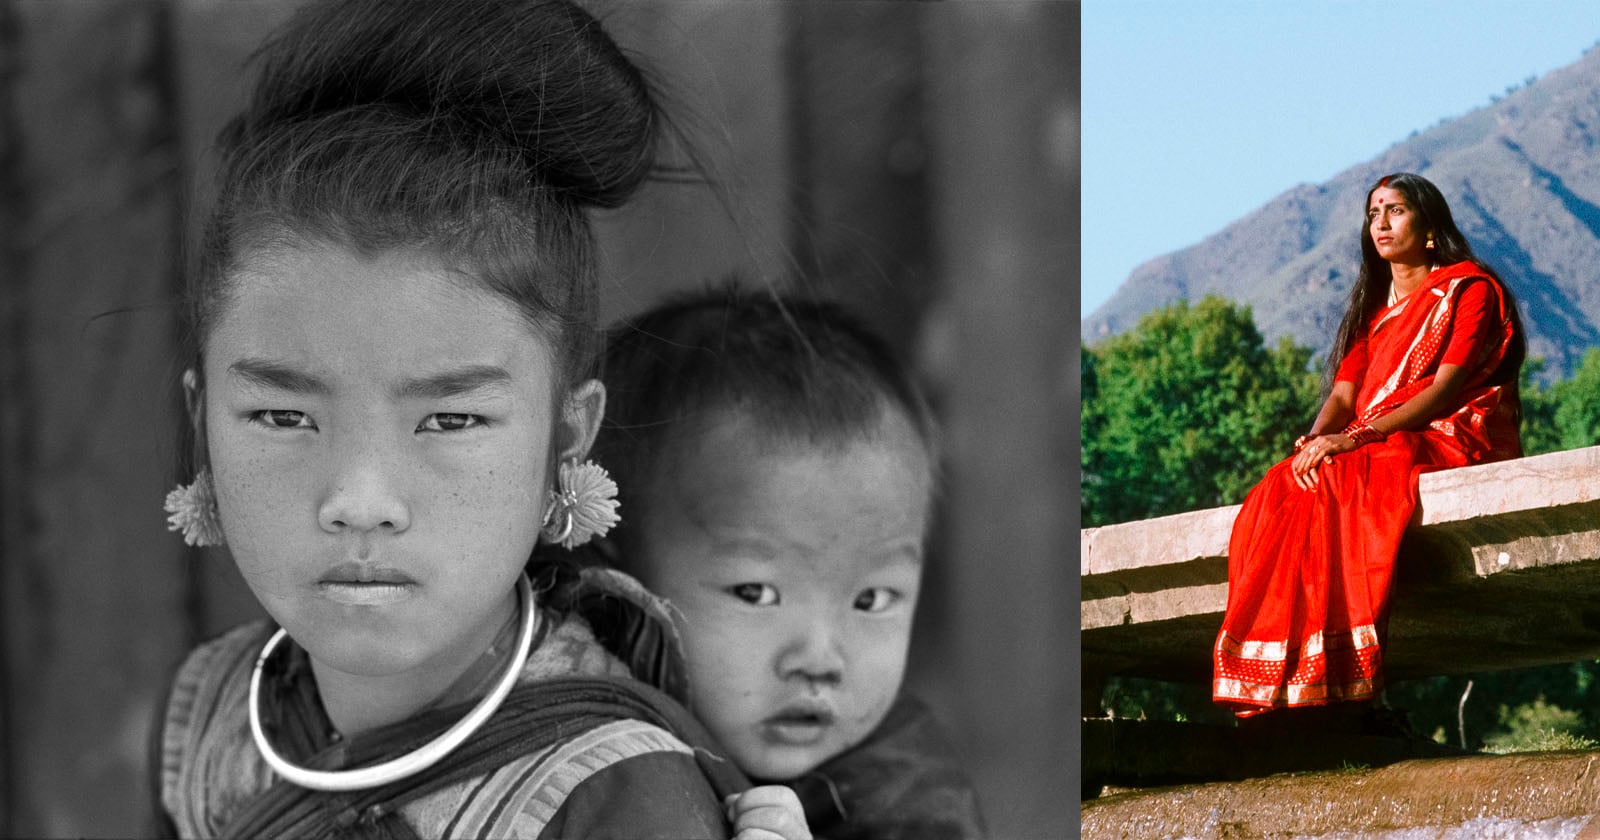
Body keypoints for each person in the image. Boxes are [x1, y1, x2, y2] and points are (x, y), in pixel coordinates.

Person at [150, 1, 789, 836]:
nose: (361, 500)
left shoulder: (611, 796)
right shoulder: (209, 716)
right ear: (202, 424)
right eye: (281, 415)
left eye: (450, 421)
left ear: (566, 438)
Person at [571, 283, 987, 840]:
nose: (819, 659)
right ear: (613, 578)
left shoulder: (908, 799)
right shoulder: (572, 710)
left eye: (872, 599)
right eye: (756, 593)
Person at [1212, 172, 1525, 723]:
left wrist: (1352, 438)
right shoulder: (1375, 315)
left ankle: (1353, 687)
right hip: (1376, 439)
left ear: (1430, 228)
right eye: (1373, 212)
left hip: (1449, 434)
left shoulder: (1468, 290)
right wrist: (1315, 441)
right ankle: (1290, 683)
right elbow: (1343, 394)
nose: (1381, 222)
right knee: (1283, 484)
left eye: (1396, 210)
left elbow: (1446, 387)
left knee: (1346, 479)